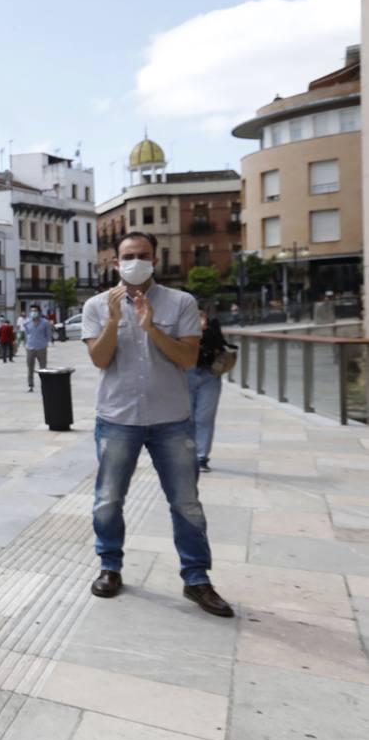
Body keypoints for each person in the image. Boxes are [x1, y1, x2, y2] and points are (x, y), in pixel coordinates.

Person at [82, 231, 233, 618]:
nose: (136, 261)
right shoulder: (98, 305)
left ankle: (196, 577)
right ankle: (109, 567)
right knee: (108, 499)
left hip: (171, 419)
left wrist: (151, 327)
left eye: (143, 254)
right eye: (128, 255)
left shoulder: (181, 302)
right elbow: (99, 360)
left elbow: (186, 359)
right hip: (118, 418)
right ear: (116, 262)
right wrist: (114, 322)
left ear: (155, 259)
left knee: (186, 502)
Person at [188, 308, 230, 473]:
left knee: (205, 416)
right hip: (185, 373)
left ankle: (201, 457)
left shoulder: (212, 323)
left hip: (209, 374)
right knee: (186, 417)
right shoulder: (178, 322)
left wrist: (205, 328)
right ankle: (186, 455)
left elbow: (220, 344)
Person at [22, 307, 54, 392]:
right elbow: (26, 334)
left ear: (39, 312)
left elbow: (48, 334)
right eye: (32, 311)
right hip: (30, 348)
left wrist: (46, 343)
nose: (33, 312)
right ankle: (30, 385)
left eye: (35, 311)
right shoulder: (27, 323)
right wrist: (25, 344)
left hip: (41, 347)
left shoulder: (45, 323)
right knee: (30, 368)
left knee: (43, 368)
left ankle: (45, 384)